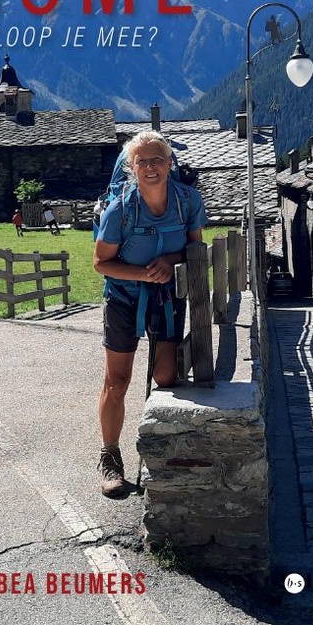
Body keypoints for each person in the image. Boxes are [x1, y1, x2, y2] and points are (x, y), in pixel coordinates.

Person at [93, 131, 207, 497]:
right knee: (117, 381)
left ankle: (161, 449)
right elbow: (101, 263)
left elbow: (196, 248)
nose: (150, 167)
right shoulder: (120, 210)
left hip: (166, 297)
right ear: (132, 168)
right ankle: (110, 457)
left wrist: (170, 260)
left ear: (170, 163)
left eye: (157, 159)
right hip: (123, 298)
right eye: (141, 161)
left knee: (166, 375)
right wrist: (143, 274)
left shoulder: (187, 201)